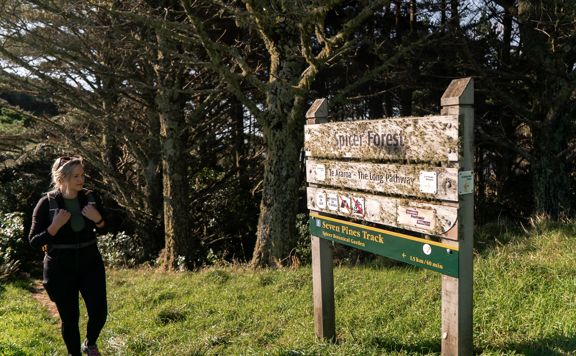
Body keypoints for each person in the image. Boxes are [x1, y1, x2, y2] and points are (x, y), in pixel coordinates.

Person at [29, 156, 107, 356]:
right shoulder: (46, 204)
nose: (81, 180)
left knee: (99, 313)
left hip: (90, 264)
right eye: (76, 176)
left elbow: (110, 225)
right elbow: (34, 241)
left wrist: (98, 219)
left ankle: (90, 343)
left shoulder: (90, 198)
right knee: (70, 318)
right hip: (60, 268)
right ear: (61, 178)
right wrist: (54, 227)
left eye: (82, 175)